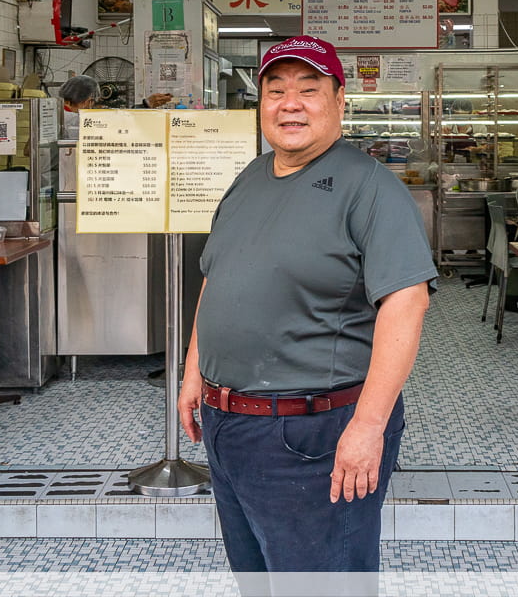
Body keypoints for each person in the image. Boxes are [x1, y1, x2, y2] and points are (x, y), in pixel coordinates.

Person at [178, 35, 436, 580]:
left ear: (340, 101)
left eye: (308, 89)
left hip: (313, 433)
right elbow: (215, 277)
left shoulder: (369, 187)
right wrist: (193, 372)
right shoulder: (250, 178)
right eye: (275, 90)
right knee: (258, 576)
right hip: (231, 427)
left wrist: (368, 428)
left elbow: (406, 304)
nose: (289, 103)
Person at [58, 74, 100, 139]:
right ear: (85, 99)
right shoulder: (73, 119)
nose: (91, 104)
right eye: (91, 100)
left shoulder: (60, 111)